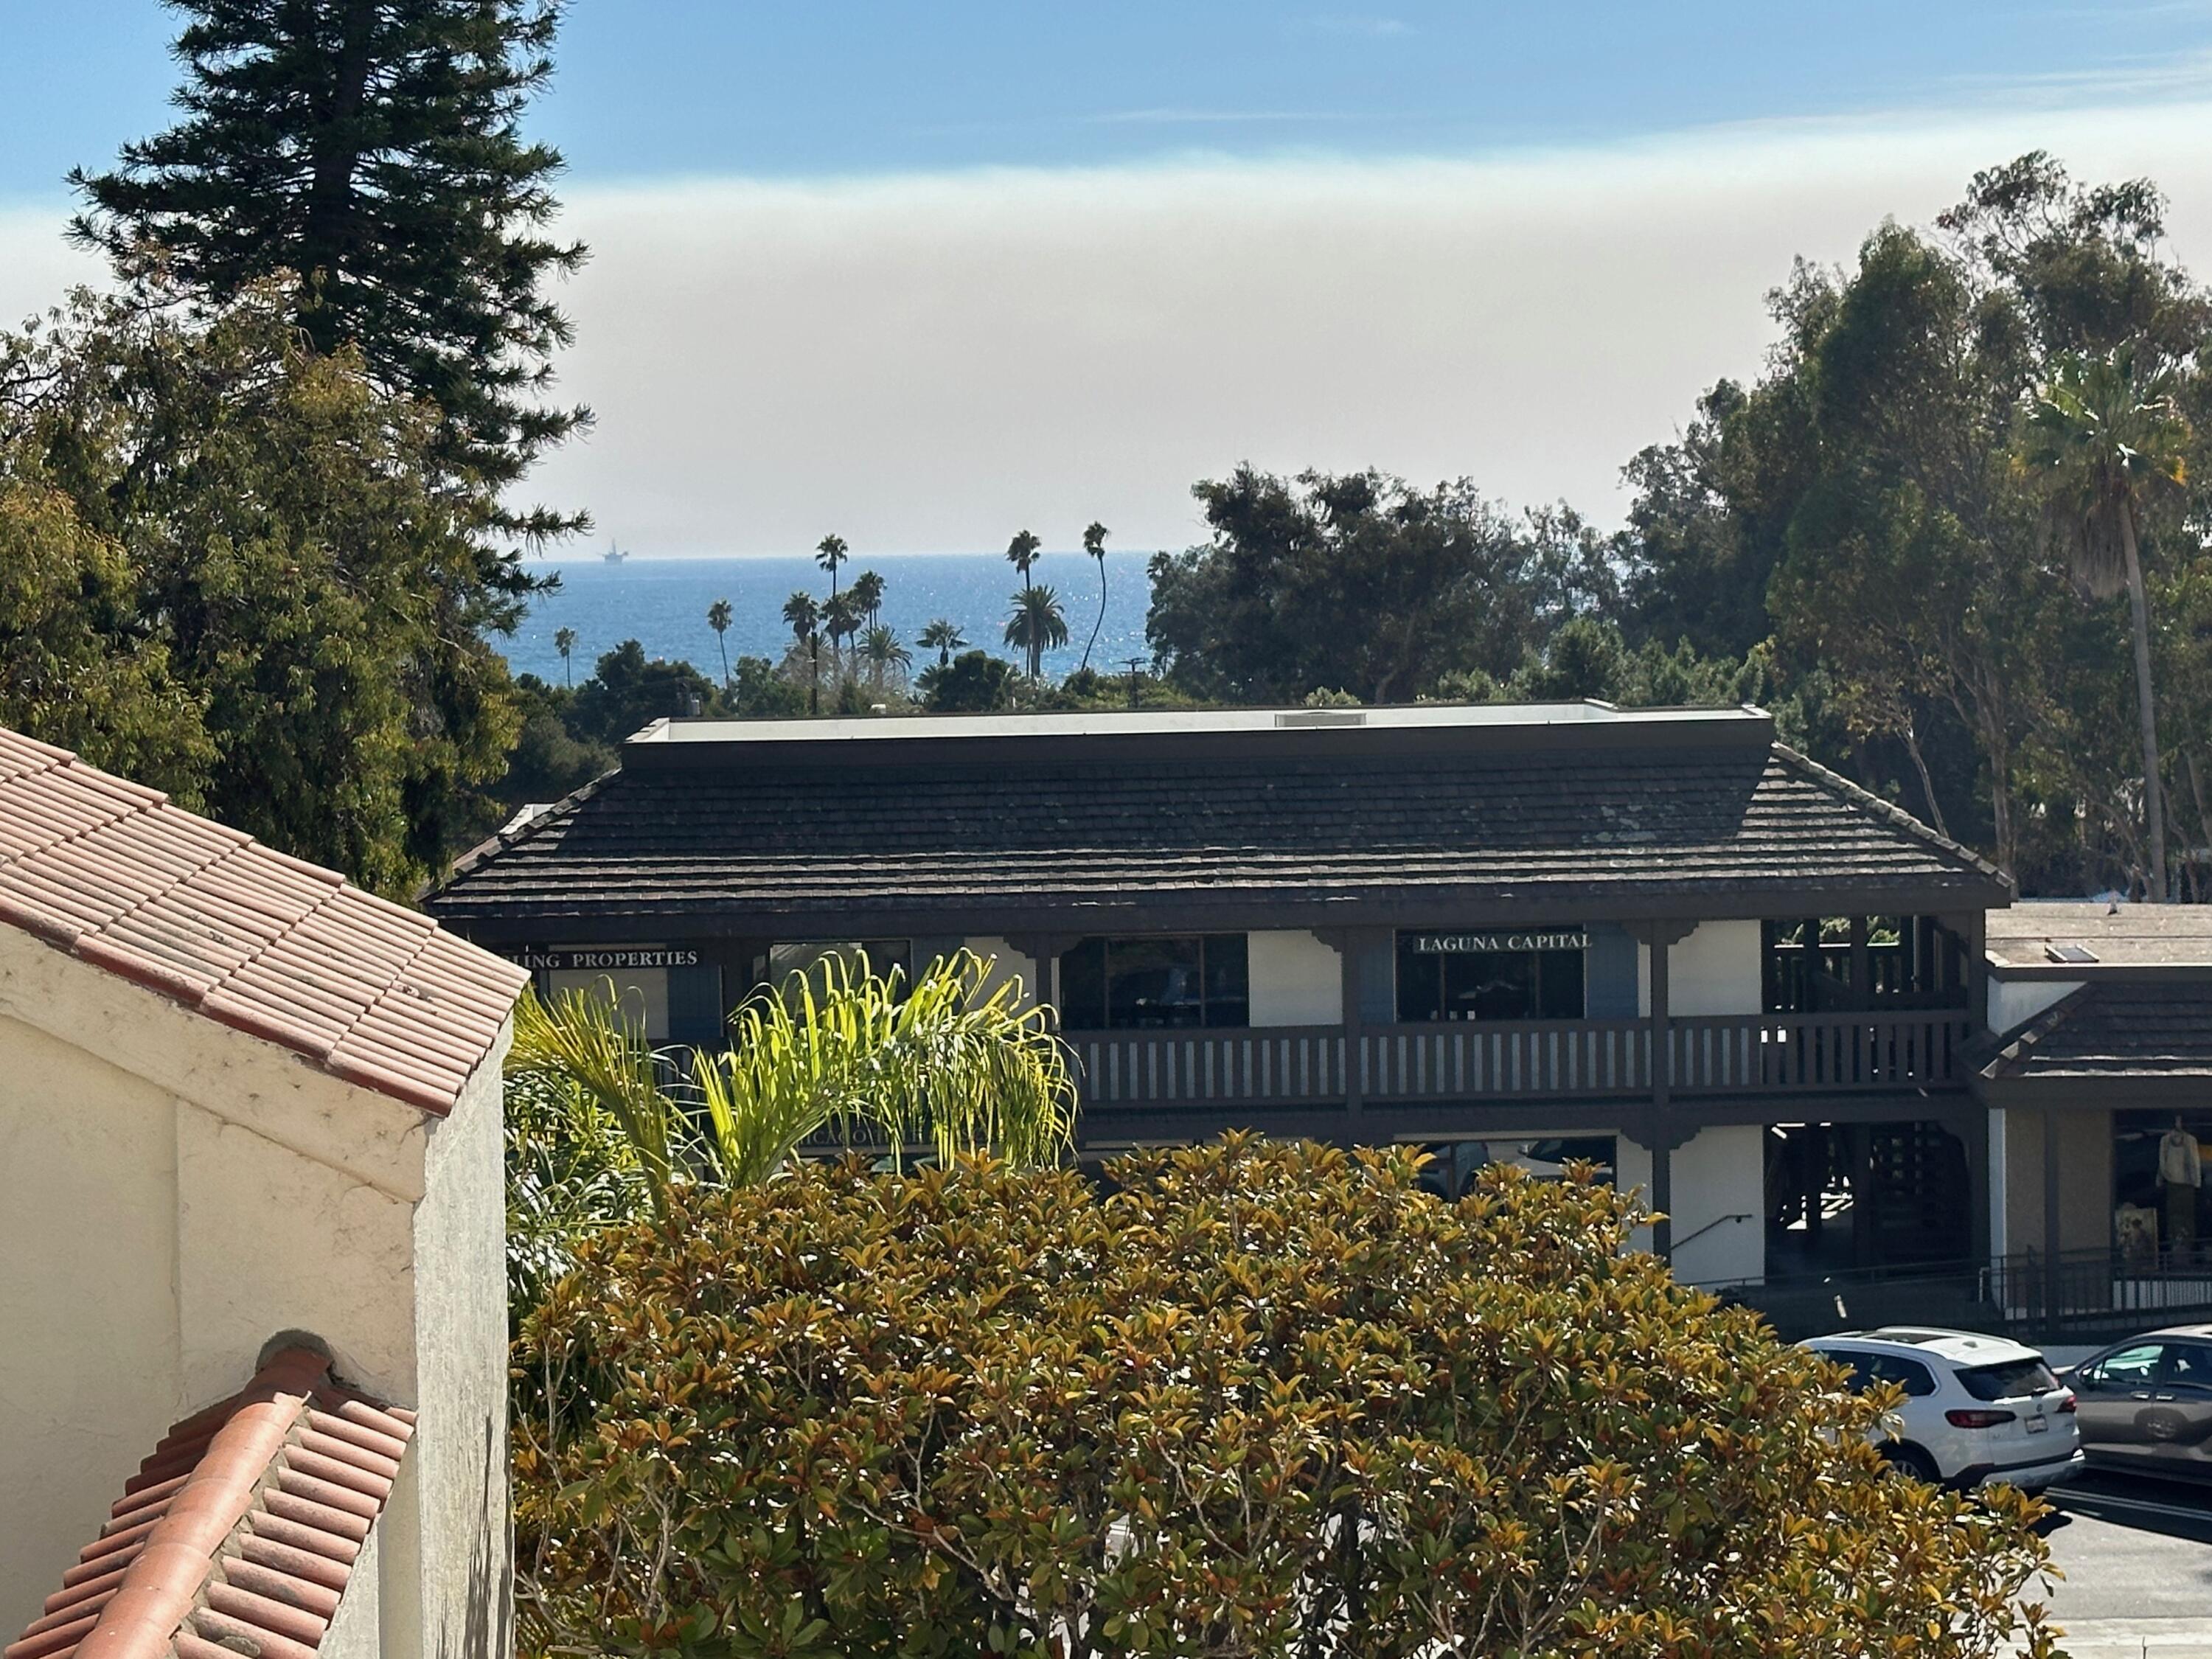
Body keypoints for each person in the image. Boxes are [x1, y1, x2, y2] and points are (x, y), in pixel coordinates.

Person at [2158, 1117, 2202, 1261]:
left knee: (2183, 1217)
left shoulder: (2190, 1140)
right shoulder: (2166, 1140)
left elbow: (2194, 1161)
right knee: (2178, 1216)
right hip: (2176, 1184)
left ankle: (2184, 1244)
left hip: (2183, 1184)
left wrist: (2196, 1181)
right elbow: (2161, 1161)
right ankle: (2179, 1243)